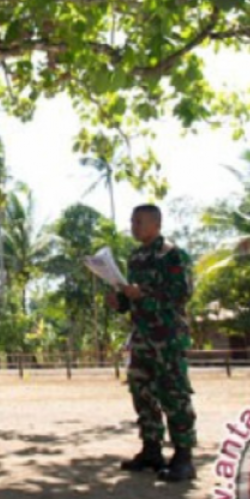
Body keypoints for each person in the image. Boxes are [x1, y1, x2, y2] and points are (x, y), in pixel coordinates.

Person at [105, 204, 198, 483]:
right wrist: (119, 300)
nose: (134, 226)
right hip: (142, 337)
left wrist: (141, 293)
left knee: (174, 393)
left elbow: (181, 293)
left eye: (139, 222)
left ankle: (183, 457)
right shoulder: (136, 258)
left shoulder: (172, 255)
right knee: (142, 391)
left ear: (156, 224)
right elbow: (131, 299)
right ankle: (151, 449)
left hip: (167, 336)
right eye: (132, 221)